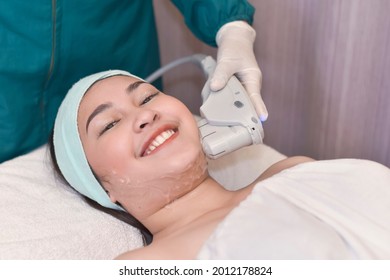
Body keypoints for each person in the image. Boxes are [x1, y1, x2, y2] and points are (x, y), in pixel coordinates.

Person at [50, 70, 390, 259]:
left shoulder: (292, 171)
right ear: (101, 187)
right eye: (109, 124)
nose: (144, 114)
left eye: (149, 96)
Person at [0, 0, 267, 163]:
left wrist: (230, 24)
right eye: (110, 124)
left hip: (117, 54)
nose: (147, 120)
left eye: (148, 98)